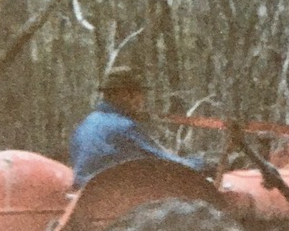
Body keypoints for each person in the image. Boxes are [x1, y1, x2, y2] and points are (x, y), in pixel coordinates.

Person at [69, 66, 204, 187]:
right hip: (112, 192)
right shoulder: (123, 126)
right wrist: (199, 165)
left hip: (86, 190)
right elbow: (161, 161)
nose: (141, 100)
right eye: (139, 93)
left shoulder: (86, 123)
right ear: (125, 95)